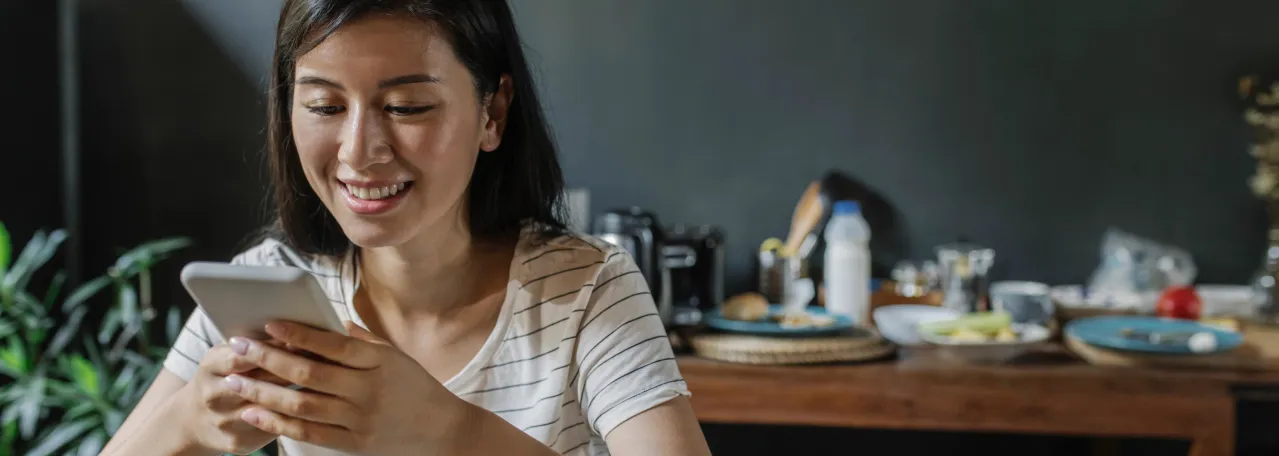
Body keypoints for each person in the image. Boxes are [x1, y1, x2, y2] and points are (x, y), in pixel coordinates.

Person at [101, 0, 711, 454]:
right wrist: (189, 423)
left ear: (493, 113)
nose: (358, 151)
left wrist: (448, 431)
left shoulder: (587, 289)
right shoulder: (270, 285)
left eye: (406, 107)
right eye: (324, 106)